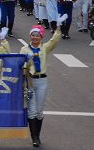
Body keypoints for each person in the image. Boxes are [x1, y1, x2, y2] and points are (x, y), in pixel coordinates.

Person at [20, 14, 68, 147]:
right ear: (30, 36)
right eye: (33, 35)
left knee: (40, 111)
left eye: (38, 35)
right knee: (32, 111)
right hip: (29, 81)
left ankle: (38, 135)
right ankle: (34, 137)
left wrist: (58, 27)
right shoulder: (24, 49)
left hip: (42, 81)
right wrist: (27, 63)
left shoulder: (44, 48)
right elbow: (21, 66)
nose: (35, 37)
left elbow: (54, 41)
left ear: (41, 37)